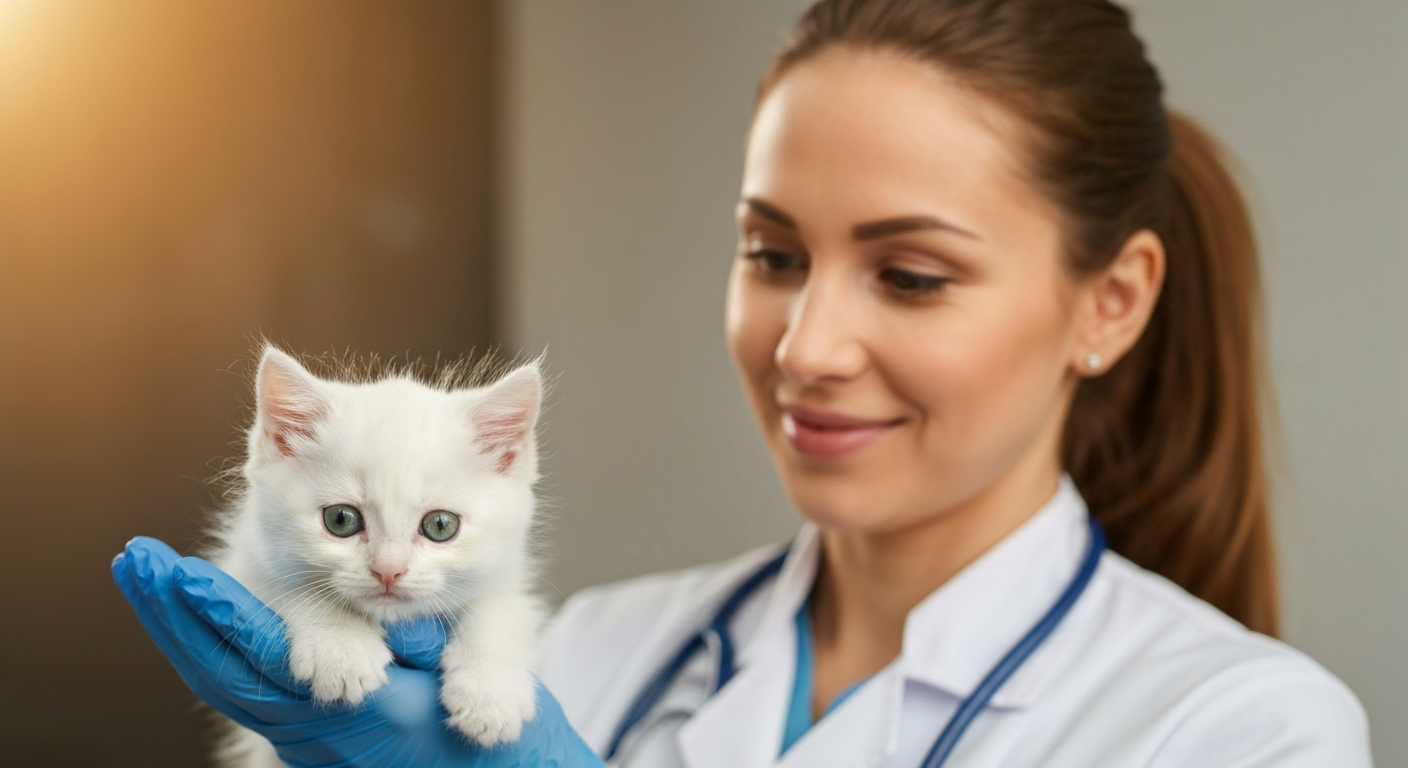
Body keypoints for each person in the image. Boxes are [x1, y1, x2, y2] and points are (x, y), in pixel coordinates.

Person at [114, 0, 1374, 765]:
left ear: (1111, 303)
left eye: (913, 276)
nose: (807, 347)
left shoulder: (1244, 734)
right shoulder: (592, 648)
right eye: (772, 255)